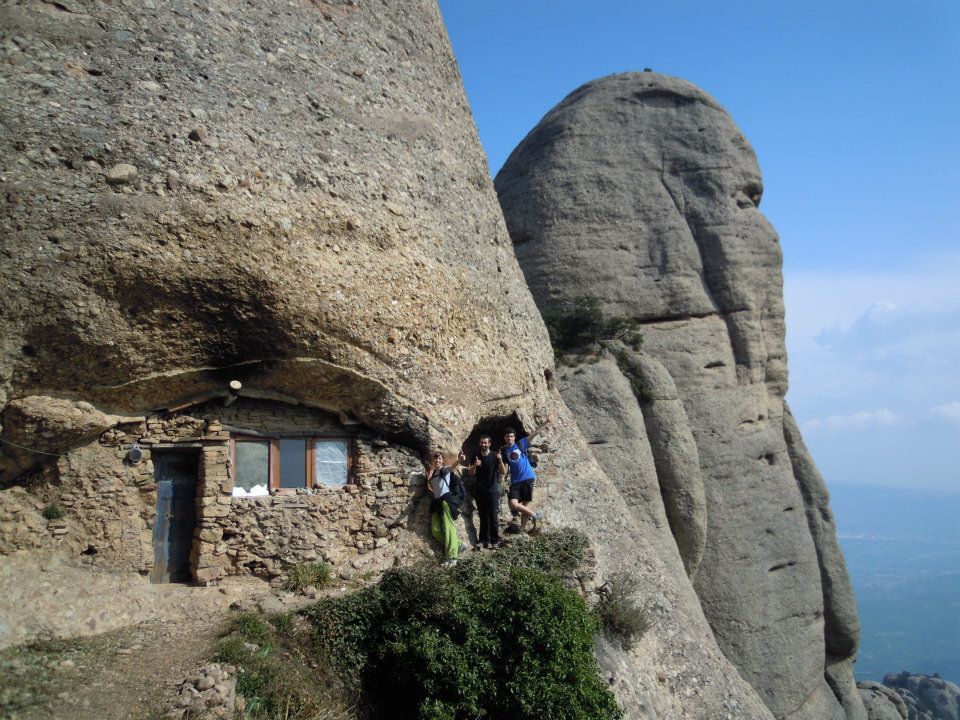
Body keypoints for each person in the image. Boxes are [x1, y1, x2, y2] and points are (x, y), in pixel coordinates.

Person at [498, 415, 552, 534]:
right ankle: (535, 515)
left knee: (524, 508)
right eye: (507, 436)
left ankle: (522, 530)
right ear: (504, 438)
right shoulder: (503, 451)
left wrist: (546, 422)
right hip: (515, 481)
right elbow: (504, 471)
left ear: (514, 437)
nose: (509, 438)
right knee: (514, 504)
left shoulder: (521, 443)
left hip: (528, 477)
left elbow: (535, 432)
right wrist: (500, 460)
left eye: (511, 436)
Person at [425, 450, 465, 567]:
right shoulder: (434, 475)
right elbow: (434, 489)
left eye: (439, 459)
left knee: (449, 528)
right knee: (436, 529)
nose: (437, 460)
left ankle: (452, 557)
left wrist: (459, 460)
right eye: (435, 459)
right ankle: (458, 545)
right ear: (432, 461)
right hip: (437, 503)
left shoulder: (445, 470)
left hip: (446, 502)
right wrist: (429, 479)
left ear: (442, 460)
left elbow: (453, 466)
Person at [467, 434, 502, 549]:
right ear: (479, 443)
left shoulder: (495, 456)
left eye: (485, 443)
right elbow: (471, 474)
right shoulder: (475, 456)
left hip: (492, 490)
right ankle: (483, 540)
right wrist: (475, 466)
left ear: (489, 443)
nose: (483, 445)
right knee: (482, 516)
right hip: (480, 491)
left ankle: (495, 541)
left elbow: (503, 472)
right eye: (482, 442)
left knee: (493, 517)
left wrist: (500, 461)